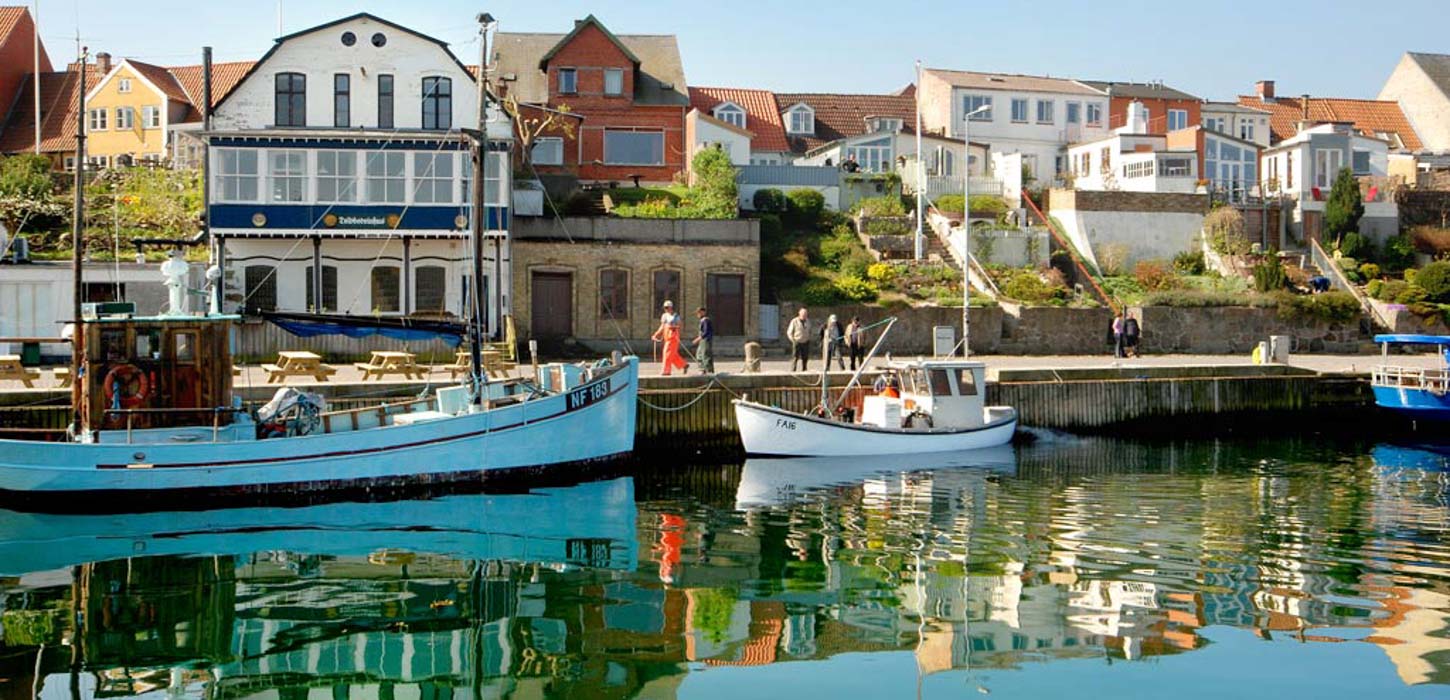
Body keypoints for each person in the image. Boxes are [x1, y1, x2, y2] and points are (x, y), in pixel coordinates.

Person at [651, 300, 689, 376]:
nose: (666, 309)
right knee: (673, 354)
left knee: (667, 354)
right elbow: (662, 327)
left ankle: (666, 371)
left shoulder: (676, 316)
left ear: (671, 307)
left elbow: (680, 326)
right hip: (666, 337)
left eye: (668, 307)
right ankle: (683, 365)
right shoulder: (664, 316)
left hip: (673, 338)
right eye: (665, 308)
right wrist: (656, 334)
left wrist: (674, 327)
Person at [787, 307, 812, 372]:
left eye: (806, 314)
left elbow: (810, 330)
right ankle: (793, 370)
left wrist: (809, 338)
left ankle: (804, 370)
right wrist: (793, 340)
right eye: (803, 314)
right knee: (795, 357)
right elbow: (789, 332)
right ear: (799, 313)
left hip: (805, 342)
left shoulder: (808, 321)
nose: (804, 315)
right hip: (797, 341)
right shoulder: (794, 321)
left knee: (805, 357)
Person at [692, 306, 715, 374]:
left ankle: (709, 370)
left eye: (699, 313)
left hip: (706, 340)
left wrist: (698, 339)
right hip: (702, 340)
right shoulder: (702, 320)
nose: (698, 315)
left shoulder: (706, 320)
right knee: (699, 354)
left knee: (706, 355)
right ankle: (702, 369)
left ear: (703, 312)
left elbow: (706, 332)